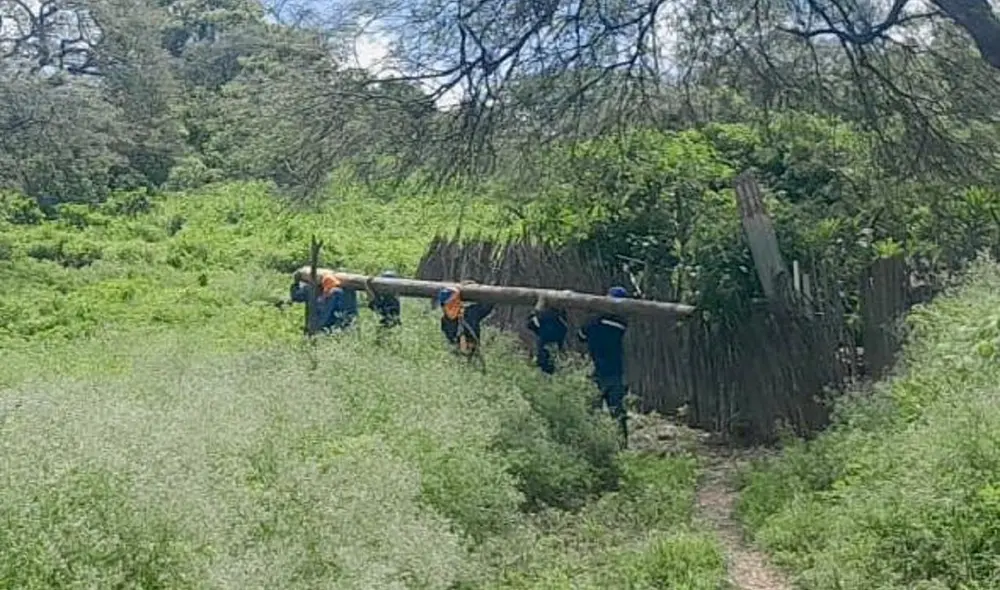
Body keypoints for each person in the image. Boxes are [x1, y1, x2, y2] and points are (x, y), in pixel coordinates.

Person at [578, 286, 630, 447]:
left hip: (597, 371)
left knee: (593, 412)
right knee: (617, 412)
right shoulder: (621, 323)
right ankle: (622, 445)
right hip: (615, 372)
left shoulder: (595, 322)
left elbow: (581, 336)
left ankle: (593, 445)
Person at [437, 286, 494, 357]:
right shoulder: (445, 321)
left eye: (456, 302)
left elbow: (488, 304)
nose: (455, 306)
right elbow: (451, 341)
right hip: (457, 359)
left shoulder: (470, 313)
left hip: (473, 356)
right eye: (449, 305)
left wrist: (475, 289)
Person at [525, 296, 568, 374]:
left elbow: (530, 324)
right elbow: (565, 330)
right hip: (556, 346)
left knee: (542, 364)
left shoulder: (542, 316)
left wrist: (536, 310)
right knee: (554, 365)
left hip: (543, 345)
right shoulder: (561, 318)